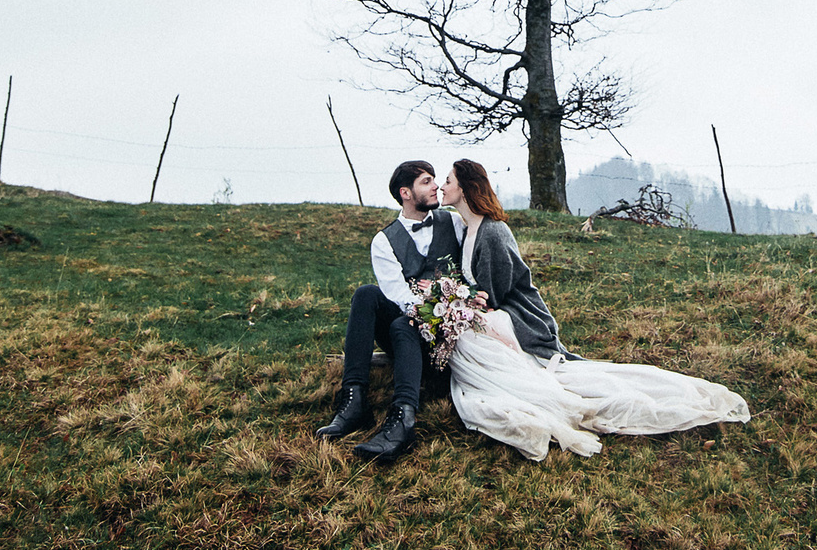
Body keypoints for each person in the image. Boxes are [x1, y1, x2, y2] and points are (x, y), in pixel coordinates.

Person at [440, 158, 751, 461]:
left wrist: (467, 305)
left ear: (465, 189)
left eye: (448, 181)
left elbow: (495, 292)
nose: (442, 187)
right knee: (465, 338)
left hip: (516, 313)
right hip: (490, 310)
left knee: (471, 339)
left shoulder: (493, 231)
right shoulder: (468, 229)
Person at [315, 159, 464, 462]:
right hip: (406, 332)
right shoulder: (384, 241)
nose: (436, 186)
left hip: (449, 332)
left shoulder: (454, 223)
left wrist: (442, 302)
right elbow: (398, 296)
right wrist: (424, 308)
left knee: (402, 324)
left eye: (435, 179)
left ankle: (403, 419)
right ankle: (354, 400)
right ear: (405, 193)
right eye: (426, 181)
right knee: (366, 295)